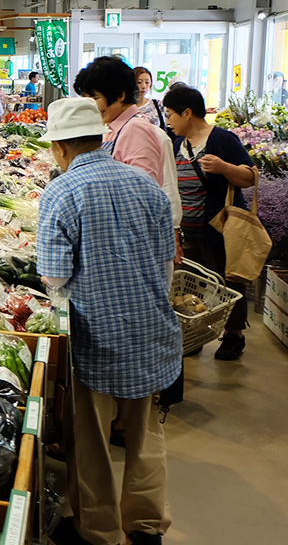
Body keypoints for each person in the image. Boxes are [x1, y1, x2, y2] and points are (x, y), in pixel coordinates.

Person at [36, 97, 179, 545]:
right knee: (146, 435)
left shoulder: (61, 191)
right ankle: (146, 524)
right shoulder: (145, 185)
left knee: (92, 439)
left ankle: (98, 531)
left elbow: (55, 275)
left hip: (96, 335)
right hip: (153, 328)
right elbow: (164, 258)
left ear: (60, 147)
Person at [165, 83, 257, 361]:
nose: (168, 121)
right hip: (188, 231)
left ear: (187, 113)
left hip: (219, 229)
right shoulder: (178, 144)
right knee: (196, 284)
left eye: (170, 114)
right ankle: (196, 333)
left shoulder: (222, 140)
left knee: (226, 282)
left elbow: (250, 177)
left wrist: (224, 168)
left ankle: (234, 335)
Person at [74, 57, 174, 204]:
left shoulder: (137, 130)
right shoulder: (114, 127)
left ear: (120, 95)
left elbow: (143, 194)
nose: (90, 106)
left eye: (94, 98)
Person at [134, 66, 170, 135]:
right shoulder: (125, 107)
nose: (144, 86)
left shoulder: (158, 104)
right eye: (139, 82)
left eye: (147, 82)